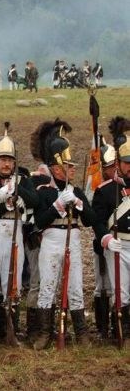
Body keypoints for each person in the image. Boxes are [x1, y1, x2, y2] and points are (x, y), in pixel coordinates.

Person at [31, 119, 97, 349]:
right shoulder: (43, 191)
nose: (73, 168)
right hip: (51, 241)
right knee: (48, 286)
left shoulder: (76, 190)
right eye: (68, 166)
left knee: (76, 287)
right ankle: (44, 334)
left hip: (74, 239)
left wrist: (78, 202)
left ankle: (81, 333)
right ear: (57, 168)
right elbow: (38, 222)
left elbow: (90, 220)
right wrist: (57, 206)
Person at [0, 126, 39, 341]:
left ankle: (8, 330)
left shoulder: (22, 181)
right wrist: (3, 203)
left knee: (13, 283)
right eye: (2, 159)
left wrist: (21, 197)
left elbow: (36, 201)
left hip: (15, 233)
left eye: (9, 160)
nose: (6, 164)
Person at [92, 117, 130, 346]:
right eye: (126, 162)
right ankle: (122, 334)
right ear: (118, 163)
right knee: (121, 293)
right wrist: (105, 238)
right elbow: (96, 221)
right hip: (118, 245)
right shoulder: (106, 191)